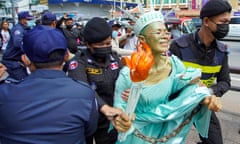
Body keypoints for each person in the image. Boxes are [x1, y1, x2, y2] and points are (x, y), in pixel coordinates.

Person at [112, 8, 222, 144]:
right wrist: (122, 118)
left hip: (165, 132)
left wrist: (206, 96)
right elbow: (119, 107)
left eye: (166, 32)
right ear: (142, 39)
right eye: (158, 32)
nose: (165, 36)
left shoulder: (175, 66)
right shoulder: (128, 74)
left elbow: (191, 88)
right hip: (136, 135)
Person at [0, 26, 98, 143]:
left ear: (25, 59)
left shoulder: (4, 93)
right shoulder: (85, 93)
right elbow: (89, 131)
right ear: (66, 55)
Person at [169, 0, 232, 144]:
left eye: (228, 22)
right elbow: (167, 79)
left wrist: (209, 91)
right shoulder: (179, 46)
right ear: (206, 21)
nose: (226, 27)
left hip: (203, 105)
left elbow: (225, 82)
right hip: (177, 105)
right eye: (223, 22)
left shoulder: (222, 51)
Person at [67, 17, 123, 144]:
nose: (105, 47)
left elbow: (124, 79)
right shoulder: (78, 62)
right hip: (89, 117)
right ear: (88, 44)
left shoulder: (114, 59)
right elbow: (83, 88)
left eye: (108, 44)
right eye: (100, 45)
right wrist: (104, 107)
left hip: (111, 118)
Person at [1, 11, 34, 81]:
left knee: (22, 79)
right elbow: (17, 42)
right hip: (11, 61)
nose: (30, 21)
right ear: (22, 20)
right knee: (23, 80)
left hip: (18, 61)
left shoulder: (27, 29)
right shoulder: (18, 29)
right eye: (28, 20)